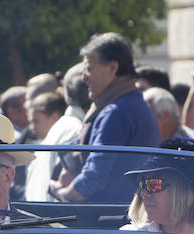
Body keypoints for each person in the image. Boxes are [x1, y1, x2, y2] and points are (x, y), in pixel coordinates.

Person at [49, 33, 160, 203]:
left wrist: (62, 193)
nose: (84, 77)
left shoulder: (116, 112)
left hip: (106, 220)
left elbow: (94, 177)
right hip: (123, 214)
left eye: (88, 68)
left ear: (112, 68)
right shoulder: (132, 104)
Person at [24, 92, 82, 202]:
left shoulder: (68, 130)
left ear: (55, 117)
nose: (32, 127)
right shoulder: (46, 142)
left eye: (36, 121)